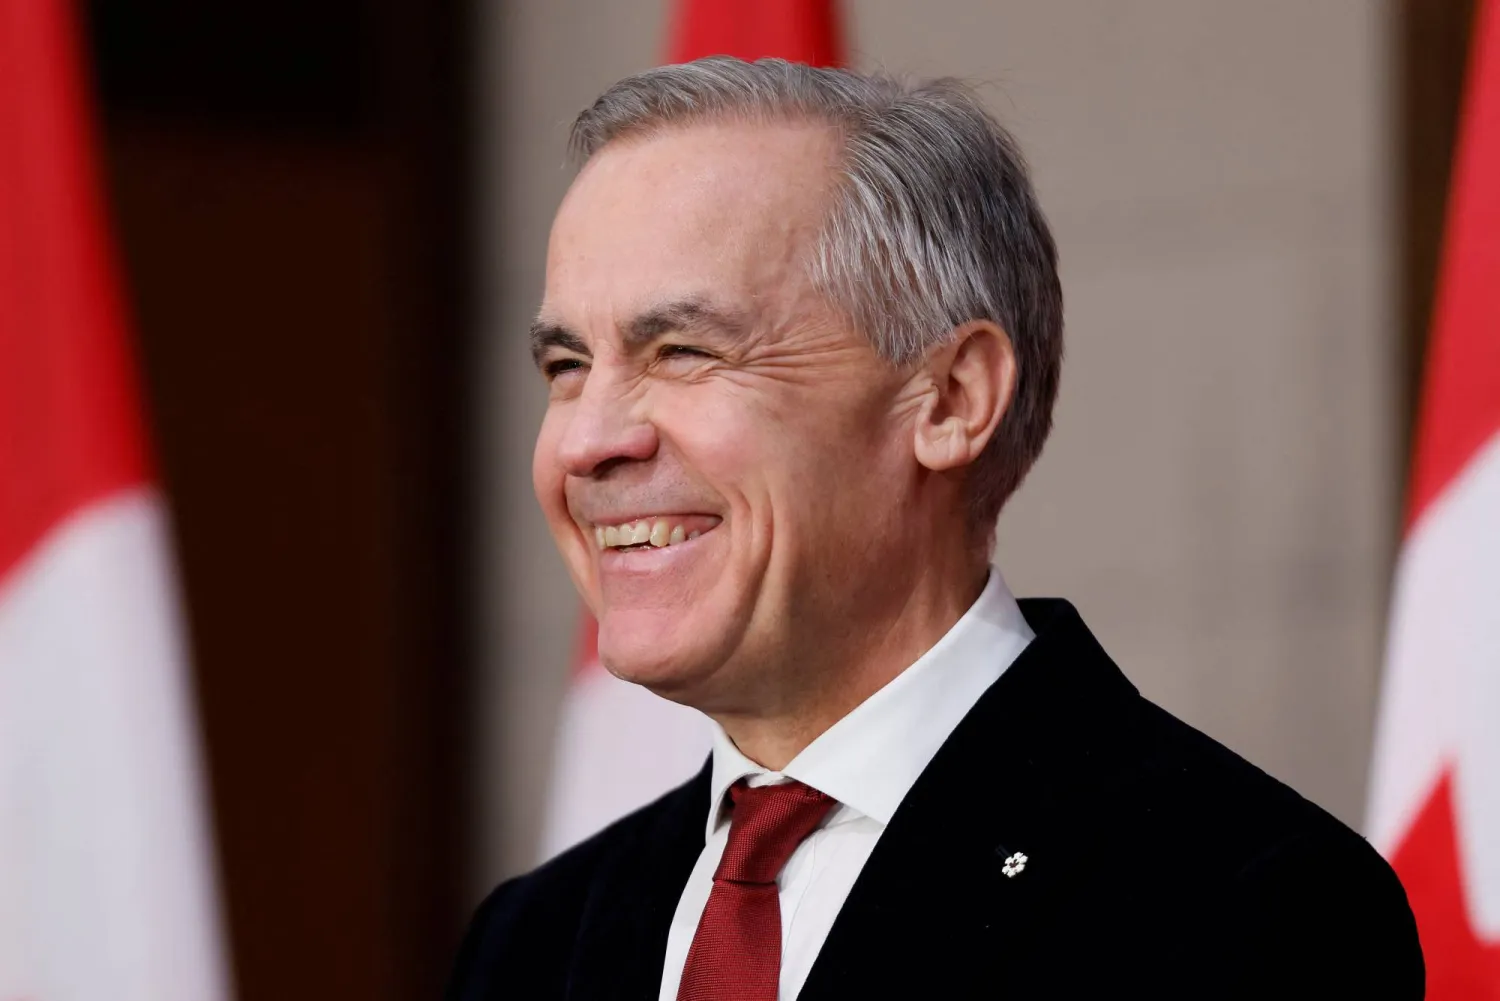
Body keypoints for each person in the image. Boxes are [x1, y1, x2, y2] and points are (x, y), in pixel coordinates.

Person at [447, 57, 1423, 1000]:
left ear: (951, 399)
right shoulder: (531, 938)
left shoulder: (1243, 908)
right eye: (567, 365)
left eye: (684, 350)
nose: (588, 441)